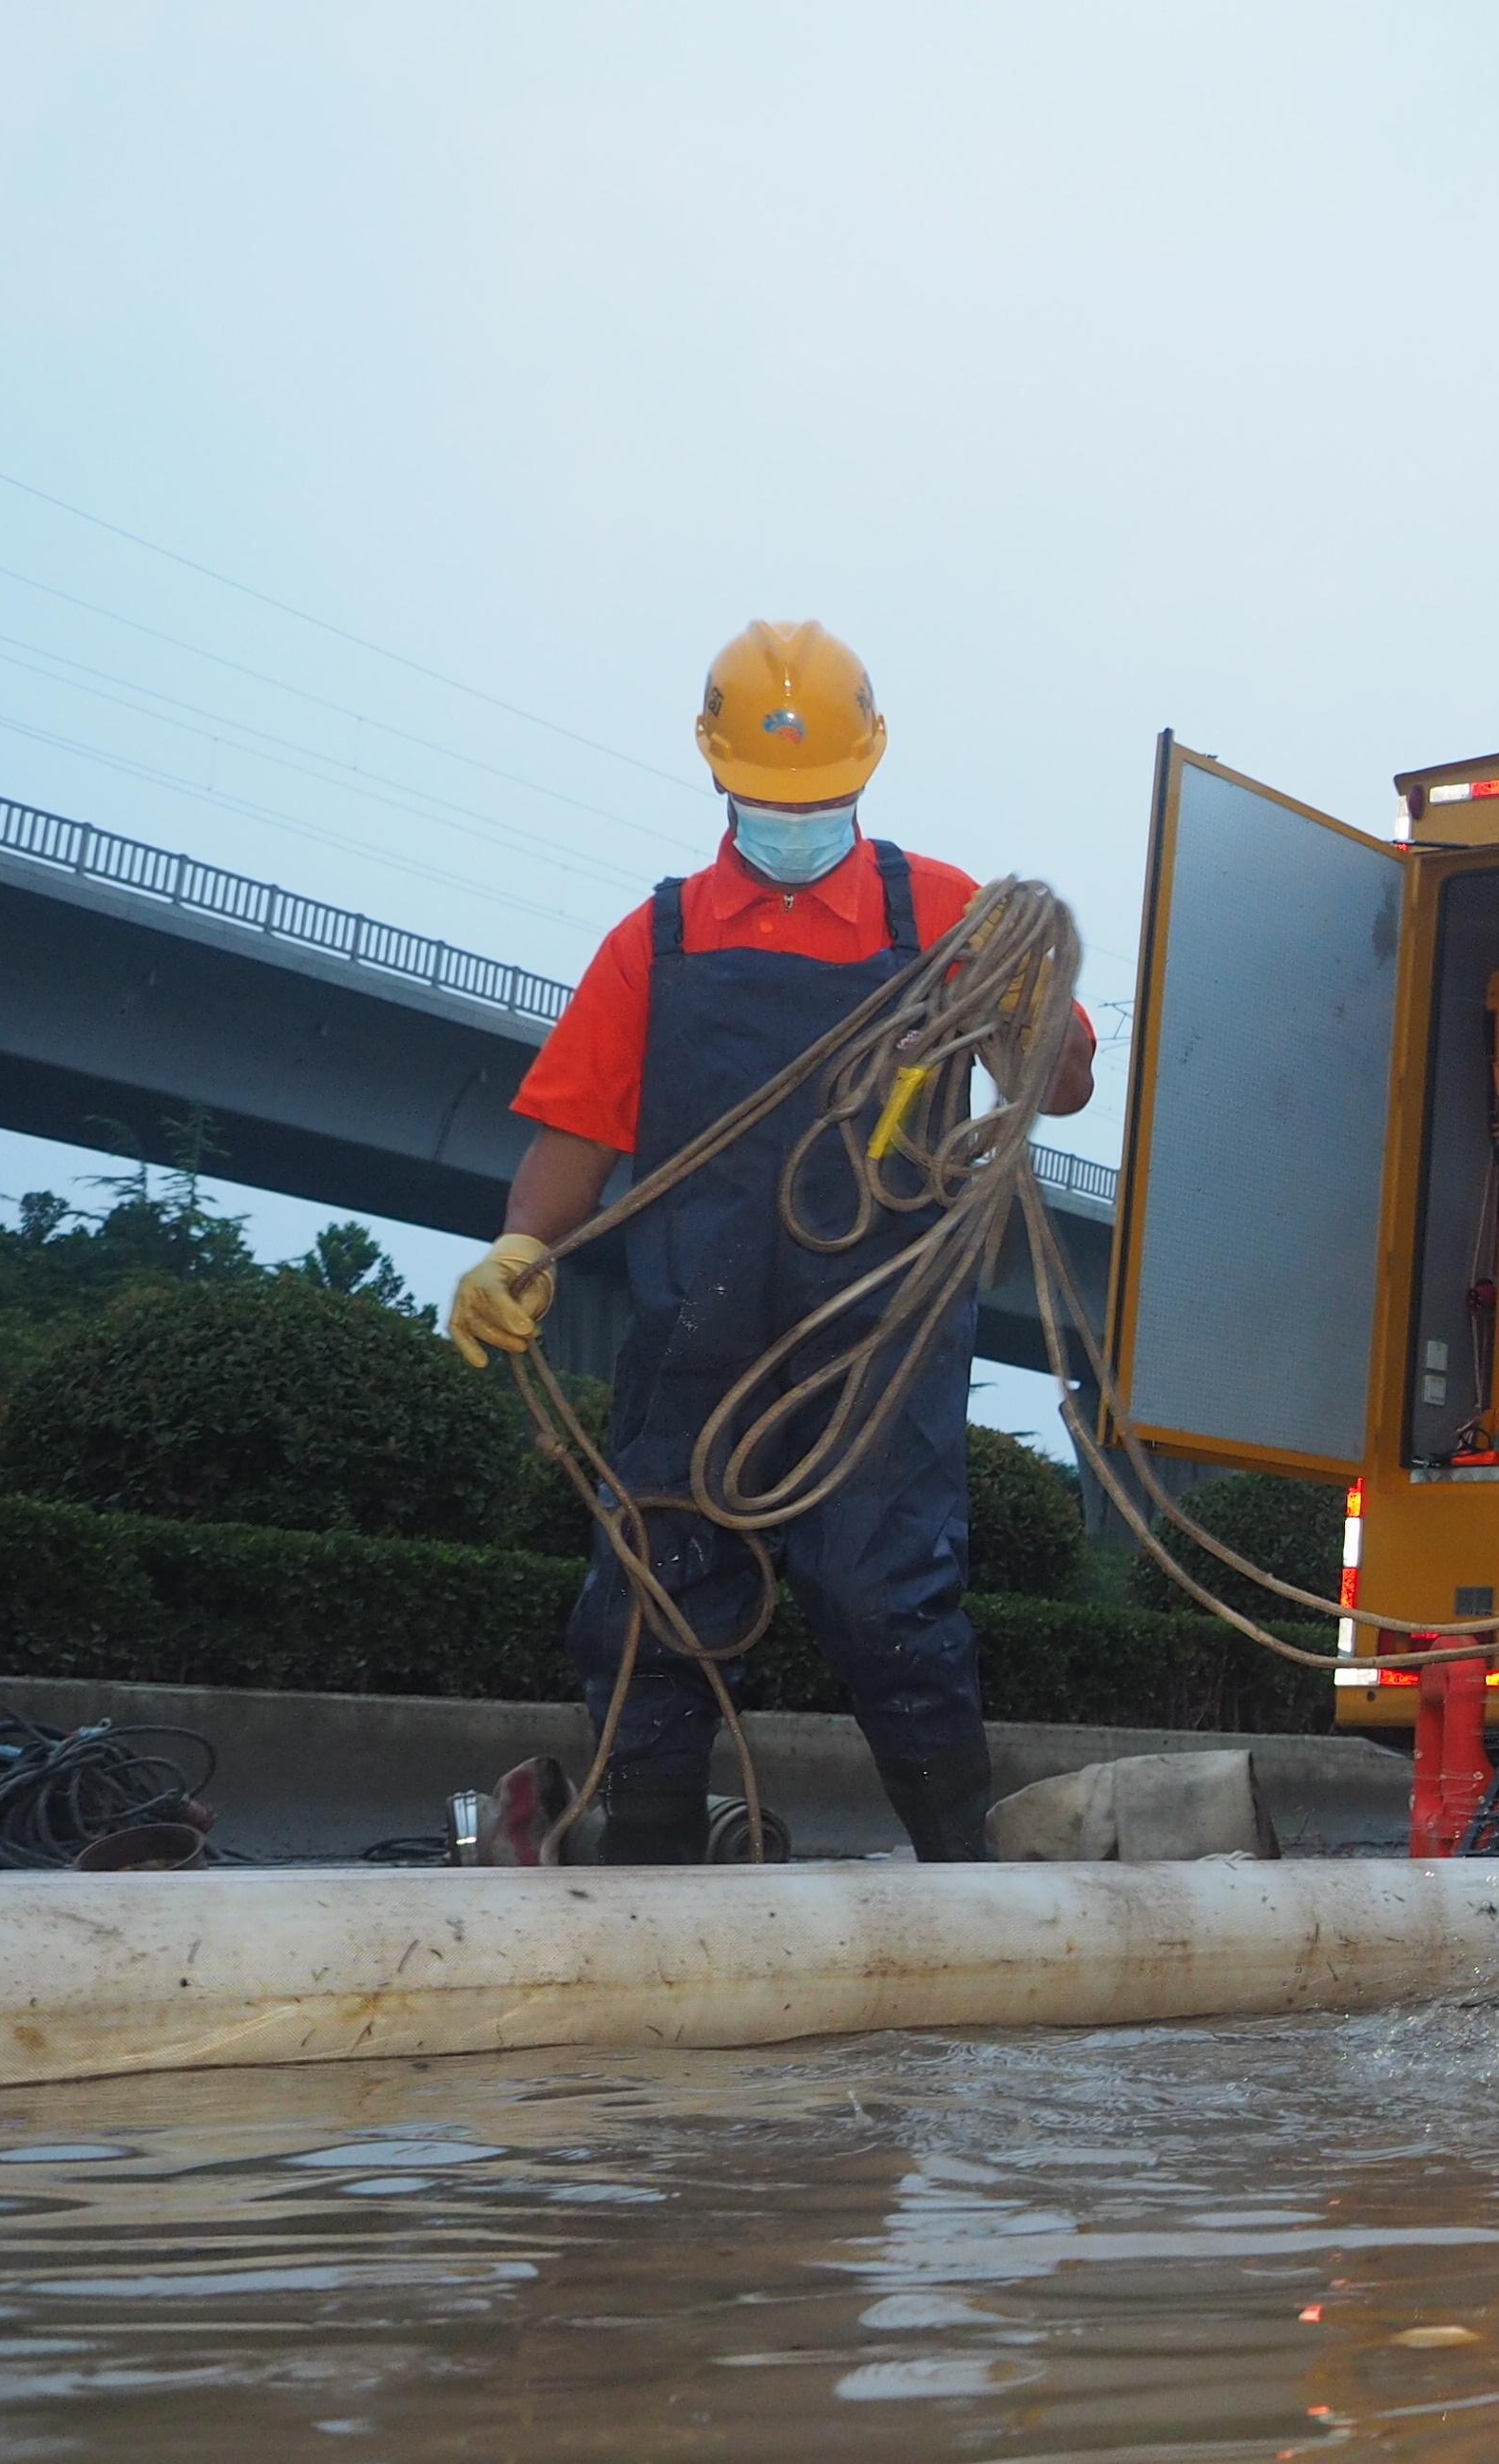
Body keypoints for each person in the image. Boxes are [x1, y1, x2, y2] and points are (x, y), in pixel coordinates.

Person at [447, 621, 1094, 1864]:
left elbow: (1048, 1088)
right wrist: (521, 1245)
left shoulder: (947, 915)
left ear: (871, 765)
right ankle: (647, 1891)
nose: (793, 821)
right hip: (699, 1336)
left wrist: (1040, 1018)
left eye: (819, 797)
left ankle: (969, 1885)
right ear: (712, 766)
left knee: (884, 1600)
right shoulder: (662, 940)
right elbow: (579, 1128)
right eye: (765, 796)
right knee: (656, 1600)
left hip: (883, 1340)